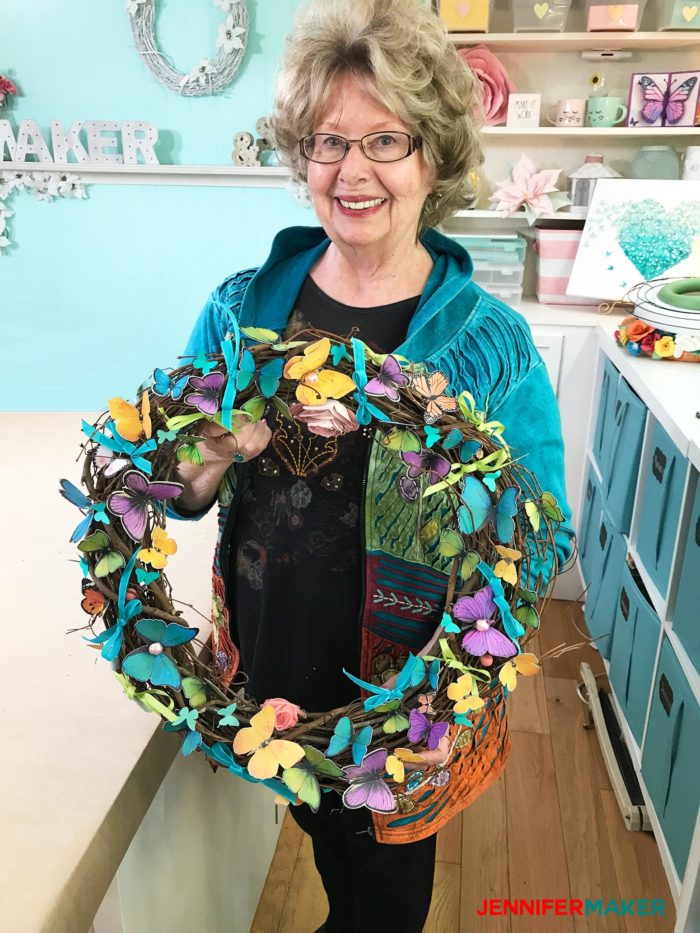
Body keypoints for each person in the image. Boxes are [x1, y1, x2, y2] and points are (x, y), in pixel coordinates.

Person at [174, 1, 575, 930]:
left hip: (408, 692)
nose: (351, 171)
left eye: (384, 140)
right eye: (327, 141)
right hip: (274, 653)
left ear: (433, 157)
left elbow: (540, 533)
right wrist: (213, 450)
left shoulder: (487, 345)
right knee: (320, 830)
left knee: (389, 894)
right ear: (301, 158)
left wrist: (456, 698)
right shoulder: (243, 311)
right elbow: (181, 486)